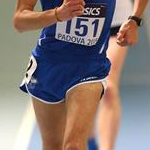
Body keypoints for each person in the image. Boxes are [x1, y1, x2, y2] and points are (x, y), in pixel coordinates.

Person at [13, 0, 149, 150]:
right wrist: (57, 14)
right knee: (53, 145)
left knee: (74, 146)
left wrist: (135, 19)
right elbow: (20, 20)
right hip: (49, 64)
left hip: (90, 66)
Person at [88, 1, 133, 150]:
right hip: (82, 21)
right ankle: (90, 141)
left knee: (109, 87)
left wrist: (135, 18)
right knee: (83, 86)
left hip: (118, 20)